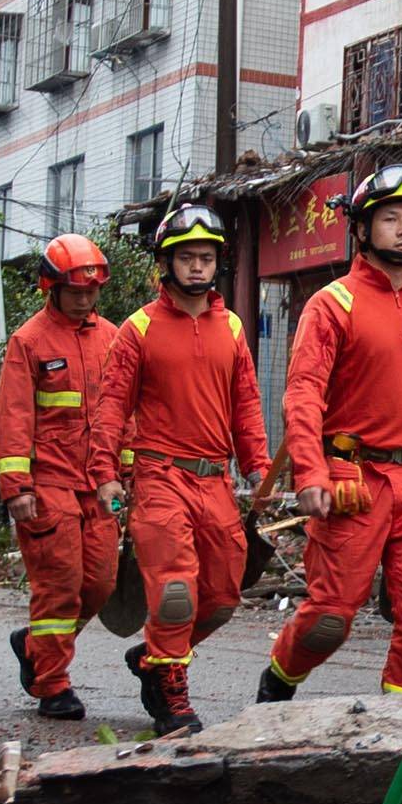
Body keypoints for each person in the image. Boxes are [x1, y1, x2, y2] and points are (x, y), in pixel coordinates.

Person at [263, 161, 402, 702]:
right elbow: (302, 395)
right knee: (330, 618)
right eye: (391, 218)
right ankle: (278, 682)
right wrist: (310, 470)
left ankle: (399, 723)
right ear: (361, 229)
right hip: (352, 478)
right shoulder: (332, 305)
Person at [91, 202, 263, 736]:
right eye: (186, 257)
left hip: (215, 480)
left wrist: (258, 468)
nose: (197, 267)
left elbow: (247, 406)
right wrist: (105, 474)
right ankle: (171, 693)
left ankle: (153, 658)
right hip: (159, 477)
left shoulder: (232, 327)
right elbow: (111, 406)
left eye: (206, 258)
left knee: (223, 596)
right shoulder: (138, 329)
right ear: (166, 263)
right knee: (174, 592)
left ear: (218, 264)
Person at [0, 232, 121, 720]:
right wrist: (16, 487)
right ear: (52, 287)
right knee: (61, 584)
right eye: (76, 290)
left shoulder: (112, 337)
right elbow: (13, 418)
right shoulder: (28, 341)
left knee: (100, 586)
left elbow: (120, 411)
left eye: (91, 290)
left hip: (98, 483)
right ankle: (52, 684)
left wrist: (124, 466)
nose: (85, 298)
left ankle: (34, 646)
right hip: (47, 484)